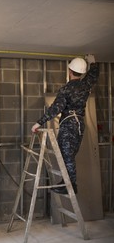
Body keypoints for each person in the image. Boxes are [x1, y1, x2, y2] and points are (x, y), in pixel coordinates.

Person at [31, 54, 99, 194]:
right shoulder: (85, 85)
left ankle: (71, 186)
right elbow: (93, 75)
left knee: (66, 156)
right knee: (69, 155)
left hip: (69, 125)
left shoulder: (66, 89)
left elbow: (56, 108)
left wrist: (39, 123)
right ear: (81, 73)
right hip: (79, 124)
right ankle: (66, 182)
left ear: (69, 71)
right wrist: (93, 63)